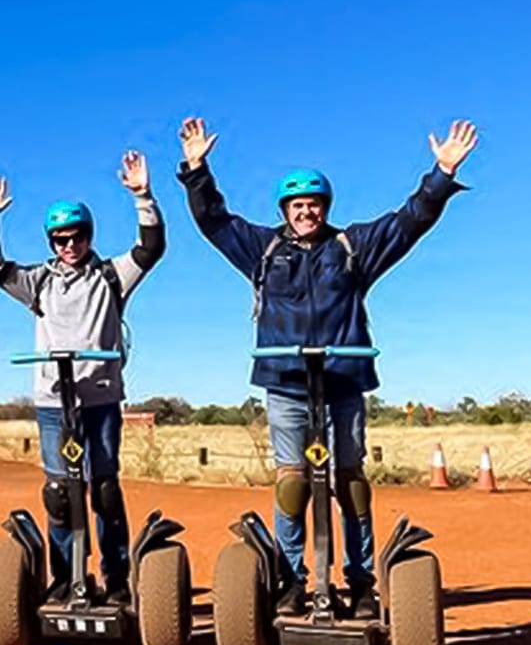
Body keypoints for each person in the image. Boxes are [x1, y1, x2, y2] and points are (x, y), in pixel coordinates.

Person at [176, 117, 477, 617]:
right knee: (292, 480)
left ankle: (360, 584)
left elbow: (409, 222)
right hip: (286, 383)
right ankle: (292, 581)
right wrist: (196, 168)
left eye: (313, 204)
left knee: (350, 480)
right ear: (284, 211)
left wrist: (441, 173)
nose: (306, 211)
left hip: (342, 380)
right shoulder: (263, 250)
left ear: (325, 208)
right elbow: (214, 221)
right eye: (297, 205)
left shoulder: (352, 247)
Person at [0, 151, 165, 604]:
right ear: (51, 241)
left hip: (99, 398)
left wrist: (143, 196)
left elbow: (151, 248)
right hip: (52, 401)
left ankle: (116, 580)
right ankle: (65, 578)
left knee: (103, 490)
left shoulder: (110, 276)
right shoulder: (39, 282)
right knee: (61, 493)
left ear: (88, 236)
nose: (69, 245)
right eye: (60, 238)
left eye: (76, 236)